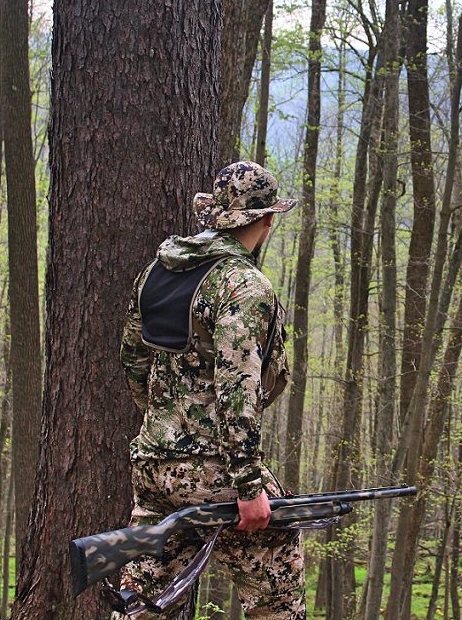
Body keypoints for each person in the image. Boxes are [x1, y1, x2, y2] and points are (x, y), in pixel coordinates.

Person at [116, 161, 305, 619]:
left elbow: (132, 359)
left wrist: (162, 426)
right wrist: (248, 482)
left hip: (154, 466)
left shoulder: (157, 274)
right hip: (216, 470)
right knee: (277, 591)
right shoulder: (243, 284)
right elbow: (237, 388)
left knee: (140, 599)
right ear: (266, 219)